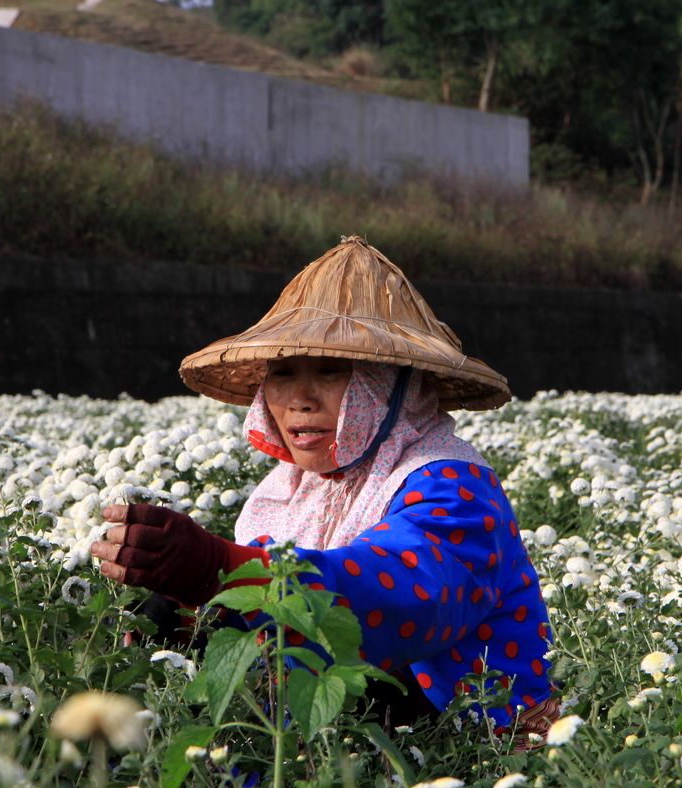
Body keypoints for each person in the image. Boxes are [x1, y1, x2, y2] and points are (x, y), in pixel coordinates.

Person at [91, 236, 556, 741]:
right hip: (336, 735)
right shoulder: (289, 489)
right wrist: (183, 612)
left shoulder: (452, 483)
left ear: (395, 384)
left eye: (333, 372)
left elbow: (400, 597)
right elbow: (256, 614)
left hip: (463, 747)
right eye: (283, 373)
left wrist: (220, 569)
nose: (299, 400)